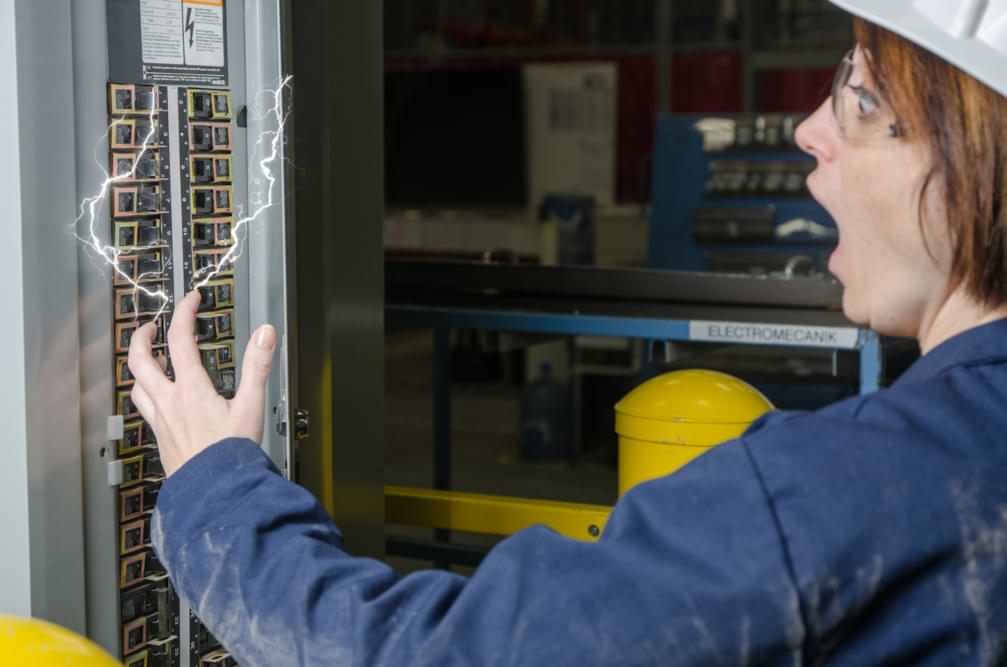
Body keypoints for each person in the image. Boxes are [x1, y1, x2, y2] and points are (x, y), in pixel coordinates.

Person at [128, 1, 1007, 664]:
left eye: (861, 95)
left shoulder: (836, 495)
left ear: (978, 157)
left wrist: (218, 489)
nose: (811, 128)